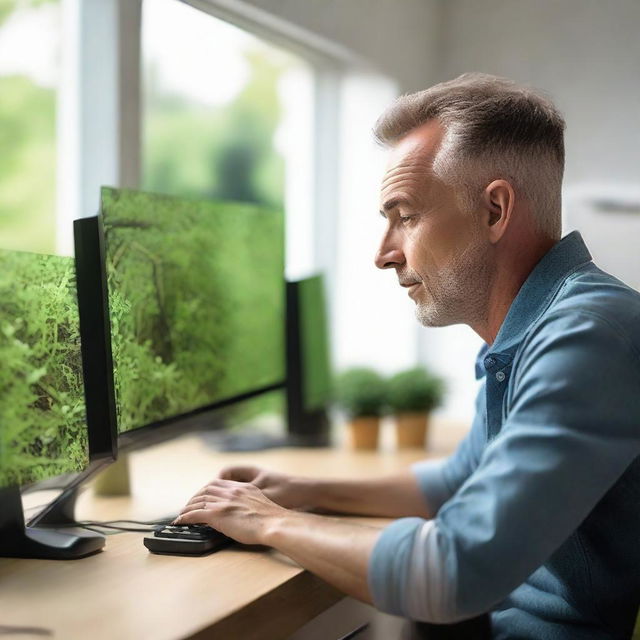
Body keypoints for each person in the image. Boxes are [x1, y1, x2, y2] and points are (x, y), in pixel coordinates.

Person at [174, 73, 640, 640]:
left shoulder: (585, 338)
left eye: (406, 216)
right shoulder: (533, 331)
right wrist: (306, 490)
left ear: (495, 210)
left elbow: (453, 572)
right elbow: (463, 479)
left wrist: (266, 520)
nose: (383, 254)